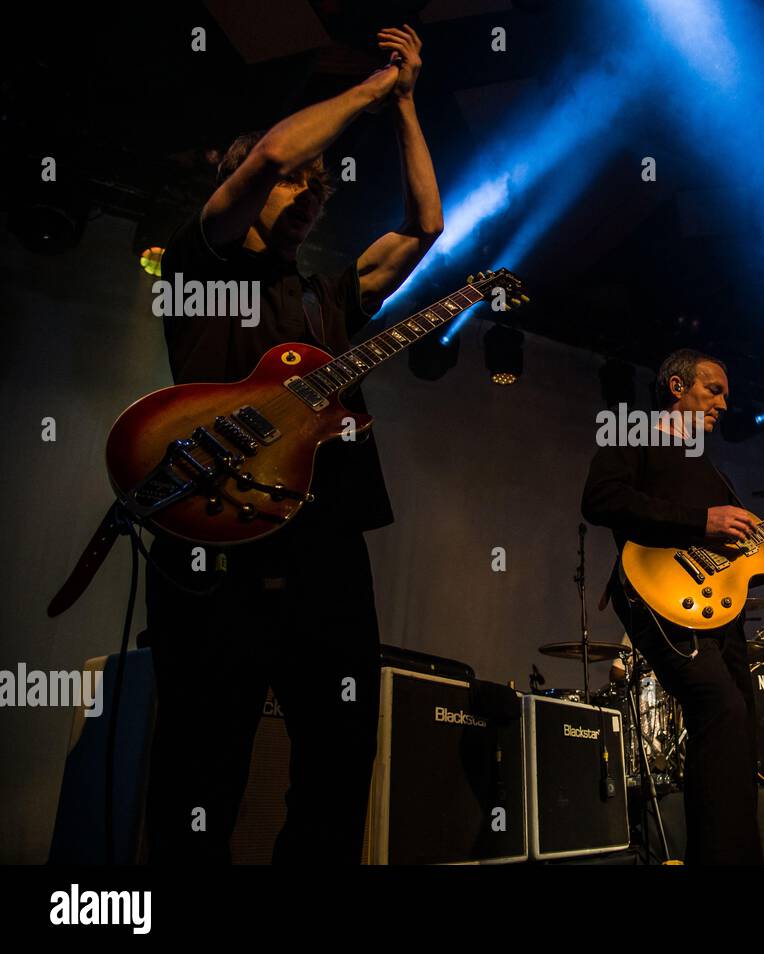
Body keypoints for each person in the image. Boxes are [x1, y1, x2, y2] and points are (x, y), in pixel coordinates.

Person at [145, 24, 443, 863]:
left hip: (324, 546)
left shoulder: (326, 296)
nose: (312, 197)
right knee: (205, 761)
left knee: (343, 753)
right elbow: (273, 153)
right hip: (217, 539)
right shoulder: (198, 258)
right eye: (298, 187)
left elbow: (426, 225)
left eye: (322, 191)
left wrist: (410, 105)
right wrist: (375, 88)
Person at [581, 349, 764, 864]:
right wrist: (701, 522)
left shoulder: (713, 472)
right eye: (715, 390)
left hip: (717, 615)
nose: (725, 403)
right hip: (655, 600)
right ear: (677, 387)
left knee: (739, 727)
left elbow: (756, 560)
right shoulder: (634, 437)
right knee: (720, 709)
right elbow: (600, 501)